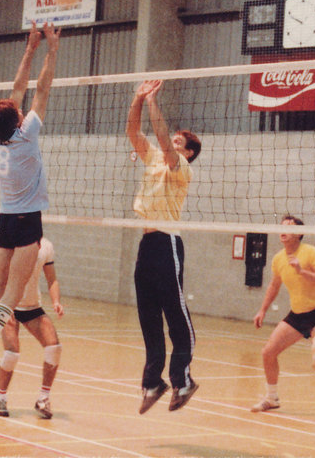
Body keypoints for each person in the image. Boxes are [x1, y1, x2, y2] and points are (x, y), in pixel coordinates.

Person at [0, 20, 59, 393]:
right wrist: (52, 48)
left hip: (4, 219)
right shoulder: (27, 135)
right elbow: (41, 88)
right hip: (26, 223)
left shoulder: (0, 141)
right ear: (17, 120)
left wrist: (29, 49)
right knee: (13, 293)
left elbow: (18, 89)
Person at [127, 79, 202, 414]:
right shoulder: (153, 159)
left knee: (175, 311)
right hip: (147, 241)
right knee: (148, 315)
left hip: (168, 241)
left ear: (187, 152)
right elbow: (133, 130)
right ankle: (154, 381)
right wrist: (139, 98)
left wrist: (154, 102)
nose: (172, 142)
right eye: (173, 139)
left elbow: (160, 137)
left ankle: (183, 377)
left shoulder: (179, 166)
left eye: (178, 141)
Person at [252, 215, 315, 425]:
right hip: (297, 314)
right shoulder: (278, 258)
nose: (283, 230)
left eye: (289, 227)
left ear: (299, 233)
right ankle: (272, 398)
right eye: (282, 226)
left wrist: (302, 271)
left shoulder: (311, 253)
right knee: (268, 353)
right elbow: (274, 285)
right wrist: (262, 310)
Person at [0, 237, 63, 420]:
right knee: (12, 353)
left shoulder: (46, 246)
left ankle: (43, 399)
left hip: (32, 307)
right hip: (8, 305)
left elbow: (52, 278)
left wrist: (56, 301)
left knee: (54, 347)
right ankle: (0, 398)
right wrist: (0, 306)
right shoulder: (5, 243)